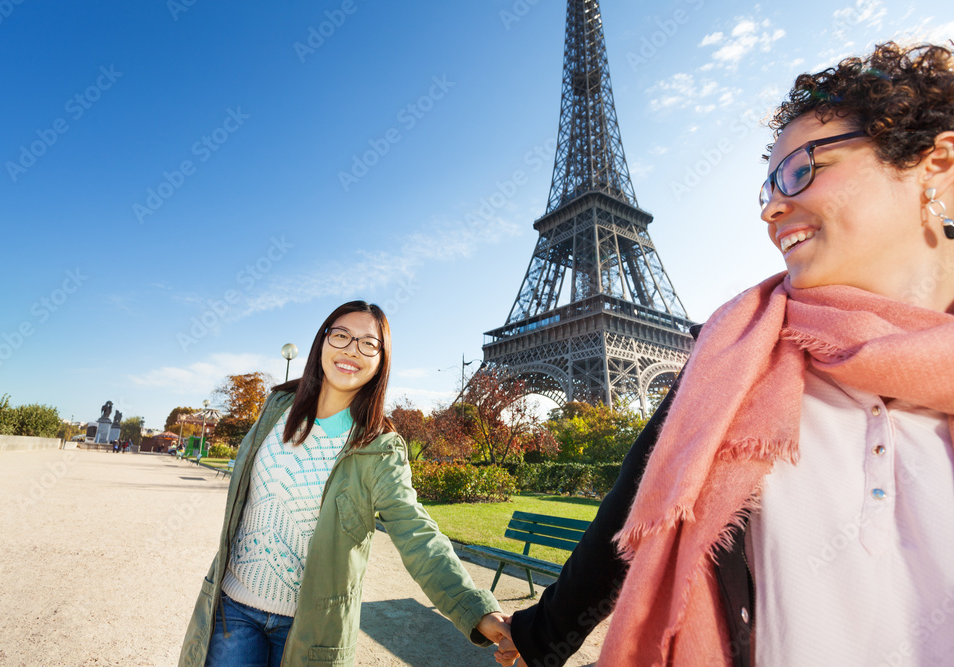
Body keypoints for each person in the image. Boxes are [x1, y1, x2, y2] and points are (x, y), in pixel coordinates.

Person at [499, 41, 954, 667]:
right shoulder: (735, 359)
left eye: (799, 169)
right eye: (766, 185)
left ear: (938, 165)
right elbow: (630, 518)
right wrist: (540, 634)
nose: (770, 208)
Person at [180, 301, 514, 667]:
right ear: (322, 342)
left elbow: (417, 533)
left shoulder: (379, 449)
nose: (352, 349)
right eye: (341, 335)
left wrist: (474, 609)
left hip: (311, 630)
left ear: (381, 361)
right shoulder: (277, 407)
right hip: (234, 609)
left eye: (368, 343)